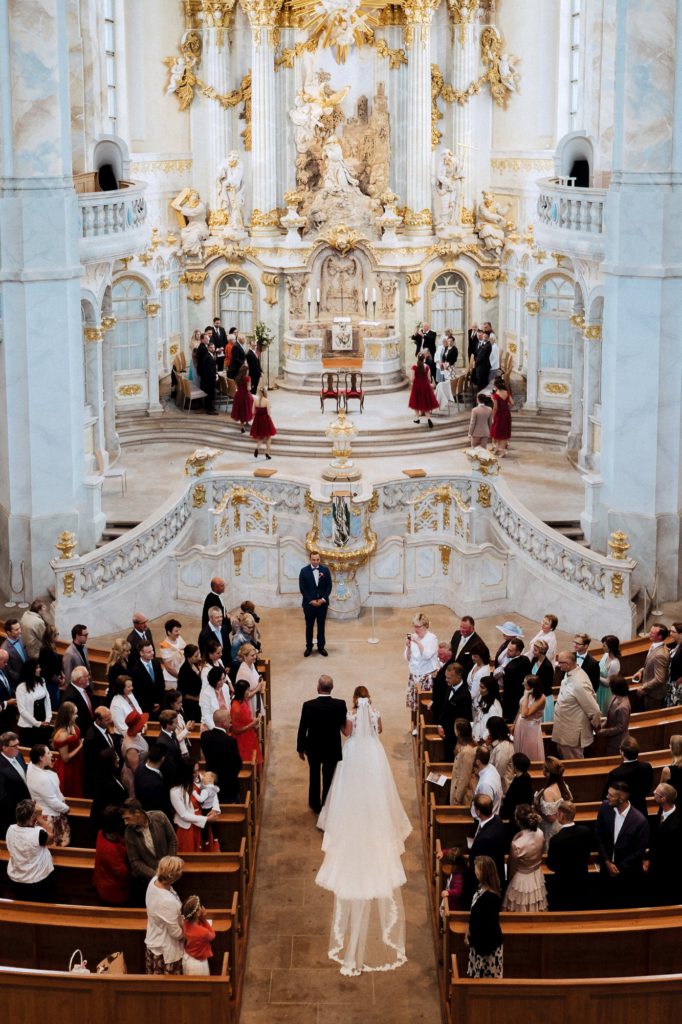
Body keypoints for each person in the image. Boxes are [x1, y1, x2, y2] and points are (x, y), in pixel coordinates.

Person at [315, 686, 412, 976]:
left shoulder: (351, 715)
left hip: (356, 752)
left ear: (356, 700)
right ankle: (374, 811)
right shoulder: (376, 713)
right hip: (373, 753)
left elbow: (346, 734)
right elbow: (379, 731)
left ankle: (354, 809)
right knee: (378, 787)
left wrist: (354, 722)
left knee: (350, 785)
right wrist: (371, 724)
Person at [296, 675, 347, 814]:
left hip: (313, 747)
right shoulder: (340, 704)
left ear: (317, 688)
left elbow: (302, 728)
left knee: (314, 775)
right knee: (329, 776)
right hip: (332, 747)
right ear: (332, 688)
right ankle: (327, 802)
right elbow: (344, 725)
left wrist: (300, 748)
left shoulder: (308, 705)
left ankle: (314, 804)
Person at [595, 780, 649, 908]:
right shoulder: (604, 808)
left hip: (628, 875)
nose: (607, 797)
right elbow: (598, 835)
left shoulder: (640, 821)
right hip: (606, 871)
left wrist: (618, 867)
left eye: (611, 795)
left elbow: (639, 851)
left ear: (622, 798)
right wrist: (607, 862)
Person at [122, 799, 178, 905]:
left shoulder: (160, 817)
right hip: (150, 881)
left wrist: (170, 865)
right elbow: (135, 862)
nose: (125, 822)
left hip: (170, 873)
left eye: (127, 818)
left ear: (138, 813)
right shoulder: (129, 834)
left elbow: (173, 840)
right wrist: (157, 876)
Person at [552, 650, 601, 759]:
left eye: (560, 663)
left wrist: (596, 726)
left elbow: (594, 710)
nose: (558, 665)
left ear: (568, 664)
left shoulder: (579, 683)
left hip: (572, 735)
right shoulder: (569, 673)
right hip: (564, 730)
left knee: (573, 766)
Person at [546, 800, 593, 910]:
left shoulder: (556, 840)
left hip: (563, 885)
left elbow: (551, 865)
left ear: (561, 815)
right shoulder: (586, 831)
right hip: (582, 880)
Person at [6, 798, 55, 902]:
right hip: (37, 881)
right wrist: (40, 818)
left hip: (16, 880)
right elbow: (51, 835)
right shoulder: (38, 833)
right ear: (32, 818)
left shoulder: (10, 829)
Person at [502, 804, 547, 912]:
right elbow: (542, 852)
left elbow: (512, 868)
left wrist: (508, 881)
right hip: (536, 874)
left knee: (518, 909)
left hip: (521, 880)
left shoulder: (517, 844)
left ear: (518, 821)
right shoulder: (540, 833)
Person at [144, 855, 185, 974]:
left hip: (155, 938)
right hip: (165, 950)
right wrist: (189, 934)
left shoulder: (154, 881)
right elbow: (176, 933)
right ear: (173, 877)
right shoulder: (167, 902)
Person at [644, 783, 682, 905]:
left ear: (663, 799)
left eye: (656, 792)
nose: (654, 792)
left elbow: (661, 846)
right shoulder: (663, 809)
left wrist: (649, 859)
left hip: (667, 868)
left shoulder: (675, 825)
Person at [170, 758, 220, 853]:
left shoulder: (199, 779)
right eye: (194, 772)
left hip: (203, 823)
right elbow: (184, 815)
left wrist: (214, 809)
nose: (197, 774)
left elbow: (213, 794)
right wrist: (206, 819)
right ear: (185, 773)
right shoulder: (175, 791)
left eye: (198, 770)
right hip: (189, 828)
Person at [465, 856, 503, 978]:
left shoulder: (491, 898)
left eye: (477, 869)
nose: (475, 871)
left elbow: (488, 926)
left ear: (485, 873)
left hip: (487, 949)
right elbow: (474, 915)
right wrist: (468, 931)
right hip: (478, 944)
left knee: (486, 982)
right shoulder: (481, 888)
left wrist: (475, 941)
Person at [26, 744, 70, 846]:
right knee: (55, 845)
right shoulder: (42, 779)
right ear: (41, 758)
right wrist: (66, 808)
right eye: (48, 753)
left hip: (45, 810)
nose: (51, 755)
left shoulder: (32, 767)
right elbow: (53, 802)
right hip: (50, 816)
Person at [467, 794, 507, 898]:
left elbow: (479, 863)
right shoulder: (497, 819)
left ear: (478, 812)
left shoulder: (485, 839)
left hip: (486, 880)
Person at [200, 708, 243, 804]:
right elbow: (238, 763)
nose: (231, 721)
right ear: (223, 723)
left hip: (211, 781)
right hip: (228, 785)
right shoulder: (230, 741)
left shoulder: (204, 736)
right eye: (229, 719)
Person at [604, 736, 654, 817]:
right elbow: (649, 787)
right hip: (641, 810)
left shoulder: (615, 774)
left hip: (622, 813)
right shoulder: (646, 767)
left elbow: (606, 796)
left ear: (622, 753)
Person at [93, 805, 130, 905]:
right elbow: (123, 873)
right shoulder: (111, 850)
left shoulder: (101, 833)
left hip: (104, 882)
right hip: (113, 892)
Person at [404, 611, 439, 713]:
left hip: (426, 676)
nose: (416, 629)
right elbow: (407, 657)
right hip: (414, 675)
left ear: (425, 626)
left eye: (418, 627)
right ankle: (415, 726)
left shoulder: (432, 638)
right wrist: (409, 646)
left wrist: (417, 642)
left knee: (424, 706)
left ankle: (422, 726)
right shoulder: (413, 637)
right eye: (414, 626)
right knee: (414, 704)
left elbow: (427, 655)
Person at [299, 551, 332, 658]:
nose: (316, 562)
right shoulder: (304, 571)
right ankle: (309, 646)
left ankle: (321, 646)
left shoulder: (325, 570)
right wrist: (311, 600)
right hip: (309, 605)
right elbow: (303, 589)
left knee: (321, 626)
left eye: (317, 559)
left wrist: (323, 599)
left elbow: (329, 586)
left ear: (319, 559)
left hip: (322, 604)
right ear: (310, 559)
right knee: (309, 626)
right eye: (313, 559)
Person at [533, 756, 572, 846]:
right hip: (562, 825)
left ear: (548, 772)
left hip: (552, 829)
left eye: (543, 767)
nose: (542, 769)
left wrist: (537, 808)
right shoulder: (563, 785)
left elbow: (551, 818)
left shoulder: (548, 791)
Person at [438, 663, 473, 761]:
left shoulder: (465, 696)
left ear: (458, 676)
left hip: (455, 736)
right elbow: (444, 707)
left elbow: (463, 720)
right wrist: (440, 725)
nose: (446, 680)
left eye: (449, 678)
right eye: (446, 677)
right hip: (446, 732)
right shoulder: (450, 686)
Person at [15, 658, 52, 748]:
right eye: (37, 668)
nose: (40, 669)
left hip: (43, 724)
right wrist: (37, 723)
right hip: (29, 727)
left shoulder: (42, 681)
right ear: (31, 670)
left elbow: (47, 700)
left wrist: (48, 719)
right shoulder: (21, 687)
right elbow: (22, 710)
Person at [51, 700, 84, 797]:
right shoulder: (61, 734)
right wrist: (80, 746)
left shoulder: (72, 724)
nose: (77, 716)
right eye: (75, 714)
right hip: (68, 769)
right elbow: (65, 758)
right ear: (68, 715)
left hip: (77, 763)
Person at [0, 731, 30, 837]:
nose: (18, 748)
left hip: (27, 806)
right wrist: (19, 811)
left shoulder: (19, 755)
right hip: (13, 812)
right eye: (14, 746)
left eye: (18, 744)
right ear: (4, 747)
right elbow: (2, 796)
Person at [633, 624, 671, 709]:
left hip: (653, 695)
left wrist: (644, 687)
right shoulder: (655, 644)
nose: (649, 634)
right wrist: (641, 670)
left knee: (650, 713)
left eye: (652, 633)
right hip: (649, 691)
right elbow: (651, 664)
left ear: (660, 636)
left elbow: (659, 679)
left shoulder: (660, 655)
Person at [512, 675, 546, 763]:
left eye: (525, 684)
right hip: (520, 725)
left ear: (532, 687)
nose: (523, 684)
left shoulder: (541, 698)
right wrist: (514, 723)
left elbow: (524, 714)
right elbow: (520, 709)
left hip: (531, 729)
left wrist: (526, 694)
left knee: (530, 751)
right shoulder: (527, 691)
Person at [231, 679, 263, 767]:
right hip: (242, 740)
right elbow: (236, 730)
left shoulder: (243, 700)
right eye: (247, 690)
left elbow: (246, 717)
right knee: (248, 763)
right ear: (242, 691)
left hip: (249, 734)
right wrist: (253, 723)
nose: (249, 692)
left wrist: (254, 721)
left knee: (255, 759)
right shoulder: (236, 708)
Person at [182, 894, 216, 975]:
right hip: (197, 964)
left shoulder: (185, 923)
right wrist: (204, 919)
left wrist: (200, 918)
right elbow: (212, 935)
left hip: (188, 958)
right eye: (200, 907)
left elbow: (195, 924)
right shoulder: (203, 932)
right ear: (197, 913)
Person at [500, 638, 531, 724]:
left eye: (510, 650)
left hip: (511, 701)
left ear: (518, 652)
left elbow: (507, 687)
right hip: (523, 696)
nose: (507, 652)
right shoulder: (526, 659)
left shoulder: (510, 668)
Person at [131, 642, 165, 719]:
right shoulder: (135, 669)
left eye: (152, 650)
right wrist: (151, 705)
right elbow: (137, 692)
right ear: (141, 653)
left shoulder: (156, 663)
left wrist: (159, 702)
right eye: (149, 652)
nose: (152, 653)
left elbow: (161, 684)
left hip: (160, 706)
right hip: (146, 708)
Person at [599, 676, 631, 755]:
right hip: (611, 739)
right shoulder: (615, 697)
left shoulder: (623, 707)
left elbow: (621, 727)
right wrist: (604, 724)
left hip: (618, 742)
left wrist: (605, 731)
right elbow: (610, 715)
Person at [62, 664, 96, 737]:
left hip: (90, 730)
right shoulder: (70, 697)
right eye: (86, 676)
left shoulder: (86, 689)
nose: (89, 678)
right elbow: (74, 721)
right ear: (79, 680)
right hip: (82, 734)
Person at [449, 718, 477, 805]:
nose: (454, 729)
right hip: (456, 783)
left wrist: (457, 798)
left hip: (461, 792)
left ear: (459, 732)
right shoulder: (461, 744)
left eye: (455, 728)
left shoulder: (467, 752)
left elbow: (465, 777)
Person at [408, 352, 438, 428]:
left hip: (417, 387)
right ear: (424, 358)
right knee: (426, 403)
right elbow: (429, 379)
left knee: (416, 403)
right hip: (425, 386)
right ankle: (429, 419)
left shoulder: (414, 367)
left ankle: (417, 419)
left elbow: (412, 379)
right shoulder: (427, 367)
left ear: (417, 358)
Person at [500, 752, 533, 825]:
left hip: (517, 817)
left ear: (515, 767)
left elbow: (515, 799)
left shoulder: (522, 780)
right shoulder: (523, 777)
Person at [449, 616, 484, 681]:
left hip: (464, 678)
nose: (461, 630)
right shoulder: (456, 634)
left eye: (464, 628)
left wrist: (458, 673)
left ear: (472, 628)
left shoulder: (478, 643)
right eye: (461, 627)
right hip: (451, 675)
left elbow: (474, 664)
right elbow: (451, 651)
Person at [38, 624, 64, 711]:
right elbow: (46, 671)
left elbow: (56, 664)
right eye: (56, 634)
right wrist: (59, 680)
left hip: (55, 682)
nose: (57, 636)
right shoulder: (45, 650)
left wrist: (61, 674)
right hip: (50, 684)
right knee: (53, 706)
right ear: (50, 636)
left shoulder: (52, 646)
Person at [234, 643, 265, 717]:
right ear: (245, 656)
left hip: (256, 699)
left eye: (255, 654)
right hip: (249, 704)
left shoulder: (252, 665)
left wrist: (260, 682)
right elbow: (246, 696)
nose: (255, 657)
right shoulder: (243, 672)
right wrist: (258, 687)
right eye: (252, 655)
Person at [199, 665, 232, 732]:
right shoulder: (206, 694)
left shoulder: (225, 687)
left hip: (224, 724)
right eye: (220, 680)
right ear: (214, 680)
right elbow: (206, 716)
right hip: (210, 727)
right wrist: (217, 730)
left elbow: (228, 705)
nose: (222, 681)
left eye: (223, 679)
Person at [471, 746, 503, 816]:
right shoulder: (492, 768)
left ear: (478, 762)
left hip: (484, 819)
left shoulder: (485, 785)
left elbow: (484, 810)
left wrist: (473, 787)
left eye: (473, 757)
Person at [528, 639, 555, 722]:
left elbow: (547, 684)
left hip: (544, 697)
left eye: (535, 650)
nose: (533, 652)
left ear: (542, 652)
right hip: (534, 694)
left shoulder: (547, 666)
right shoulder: (534, 660)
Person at [486, 717, 515, 794]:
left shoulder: (503, 747)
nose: (488, 733)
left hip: (503, 789)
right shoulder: (498, 744)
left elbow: (498, 772)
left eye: (489, 730)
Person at [472, 677, 502, 744]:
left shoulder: (495, 707)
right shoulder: (482, 698)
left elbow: (492, 727)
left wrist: (482, 739)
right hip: (477, 736)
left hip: (485, 741)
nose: (480, 690)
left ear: (490, 689)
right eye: (480, 686)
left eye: (483, 688)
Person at [158, 619, 186, 689]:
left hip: (182, 673)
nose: (179, 633)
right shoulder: (164, 645)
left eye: (179, 630)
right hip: (172, 679)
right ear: (169, 632)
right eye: (176, 631)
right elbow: (168, 667)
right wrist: (180, 677)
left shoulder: (179, 638)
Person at [597, 634, 622, 713]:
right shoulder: (605, 655)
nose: (602, 647)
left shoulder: (614, 663)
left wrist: (596, 676)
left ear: (610, 647)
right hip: (598, 688)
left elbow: (608, 683)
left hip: (605, 692)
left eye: (604, 646)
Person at [177, 644, 202, 720]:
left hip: (197, 701)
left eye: (198, 655)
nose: (198, 658)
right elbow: (182, 691)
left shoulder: (195, 664)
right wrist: (196, 699)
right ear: (189, 656)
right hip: (190, 704)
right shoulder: (184, 670)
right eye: (195, 656)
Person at [251, 385, 277, 459]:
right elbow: (269, 413)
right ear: (265, 393)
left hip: (258, 420)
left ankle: (257, 448)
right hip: (265, 420)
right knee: (268, 437)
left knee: (261, 437)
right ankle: (267, 453)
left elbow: (253, 411)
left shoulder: (255, 400)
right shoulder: (266, 401)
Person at [490, 377, 514, 456]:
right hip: (506, 414)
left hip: (499, 415)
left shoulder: (496, 395)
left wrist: (493, 416)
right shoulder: (507, 392)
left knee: (497, 432)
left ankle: (502, 451)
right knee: (503, 432)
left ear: (496, 386)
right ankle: (497, 449)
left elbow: (495, 408)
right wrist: (506, 405)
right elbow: (512, 403)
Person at [440, 847, 467, 913]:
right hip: (450, 893)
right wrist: (443, 852)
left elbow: (458, 891)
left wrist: (449, 892)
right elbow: (451, 852)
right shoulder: (458, 860)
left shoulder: (458, 876)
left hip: (453, 904)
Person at [2, 618, 28, 688]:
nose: (20, 631)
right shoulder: (4, 649)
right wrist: (22, 678)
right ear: (8, 632)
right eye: (16, 630)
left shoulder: (21, 638)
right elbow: (9, 671)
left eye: (19, 628)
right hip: (19, 682)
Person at [105, 638, 132, 702]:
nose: (129, 653)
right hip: (116, 697)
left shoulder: (123, 661)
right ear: (121, 652)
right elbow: (118, 686)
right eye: (127, 651)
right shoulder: (116, 666)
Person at [230, 363, 254, 431]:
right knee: (246, 410)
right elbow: (248, 389)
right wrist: (251, 387)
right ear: (246, 371)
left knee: (241, 411)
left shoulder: (237, 377)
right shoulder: (248, 378)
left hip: (238, 395)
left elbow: (237, 387)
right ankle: (246, 423)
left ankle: (242, 426)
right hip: (246, 396)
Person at [664, 622, 682, 706]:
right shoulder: (677, 644)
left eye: (673, 632)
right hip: (671, 680)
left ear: (681, 634)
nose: (670, 634)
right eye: (670, 631)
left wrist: (677, 682)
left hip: (677, 685)